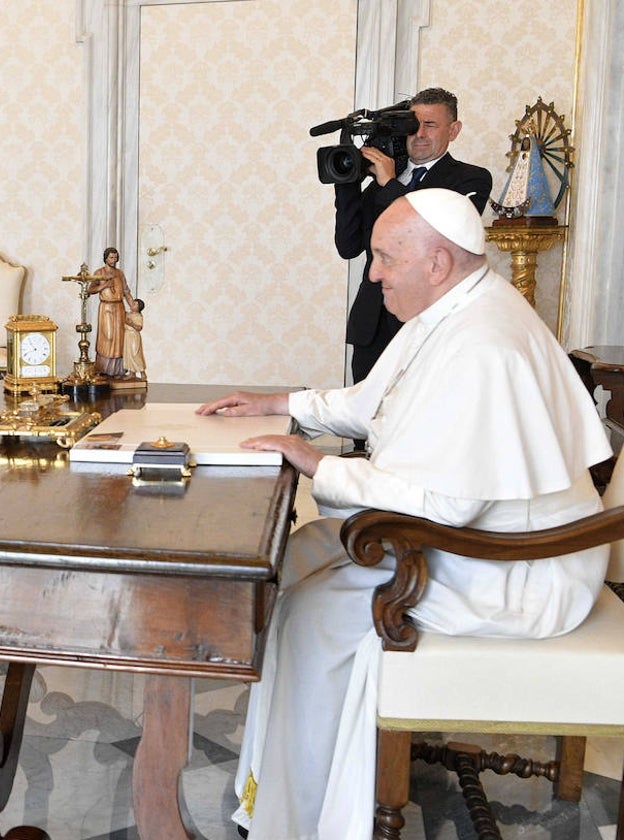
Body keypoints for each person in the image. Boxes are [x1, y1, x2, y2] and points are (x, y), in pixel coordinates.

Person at [196, 189, 610, 840]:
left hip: (516, 573)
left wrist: (318, 466)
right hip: (491, 541)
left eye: (385, 257)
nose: (374, 273)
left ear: (437, 262)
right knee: (302, 551)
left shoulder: (484, 344)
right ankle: (275, 784)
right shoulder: (451, 309)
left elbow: (449, 504)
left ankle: (300, 822)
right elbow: (368, 403)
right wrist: (279, 403)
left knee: (310, 610)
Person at [334, 87, 492, 384]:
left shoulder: (470, 178)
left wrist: (390, 184)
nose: (419, 133)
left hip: (428, 326)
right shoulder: (379, 185)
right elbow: (348, 245)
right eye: (412, 125)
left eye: (430, 125)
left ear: (454, 130)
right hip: (372, 329)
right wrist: (348, 183)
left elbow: (438, 236)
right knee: (365, 426)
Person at [86, 247, 137, 378]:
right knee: (107, 336)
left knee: (118, 337)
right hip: (106, 308)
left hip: (119, 308)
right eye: (111, 258)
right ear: (106, 258)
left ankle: (117, 370)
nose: (113, 260)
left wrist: (133, 306)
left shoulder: (120, 273)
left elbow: (126, 291)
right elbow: (90, 290)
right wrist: (104, 285)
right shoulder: (99, 272)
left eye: (115, 257)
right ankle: (103, 368)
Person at [123, 298, 146, 380]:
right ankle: (131, 373)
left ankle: (142, 372)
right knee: (128, 354)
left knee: (135, 354)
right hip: (127, 336)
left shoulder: (138, 316)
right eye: (132, 303)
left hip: (134, 336)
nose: (132, 305)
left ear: (139, 307)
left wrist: (131, 323)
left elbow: (139, 327)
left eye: (135, 304)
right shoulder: (128, 314)